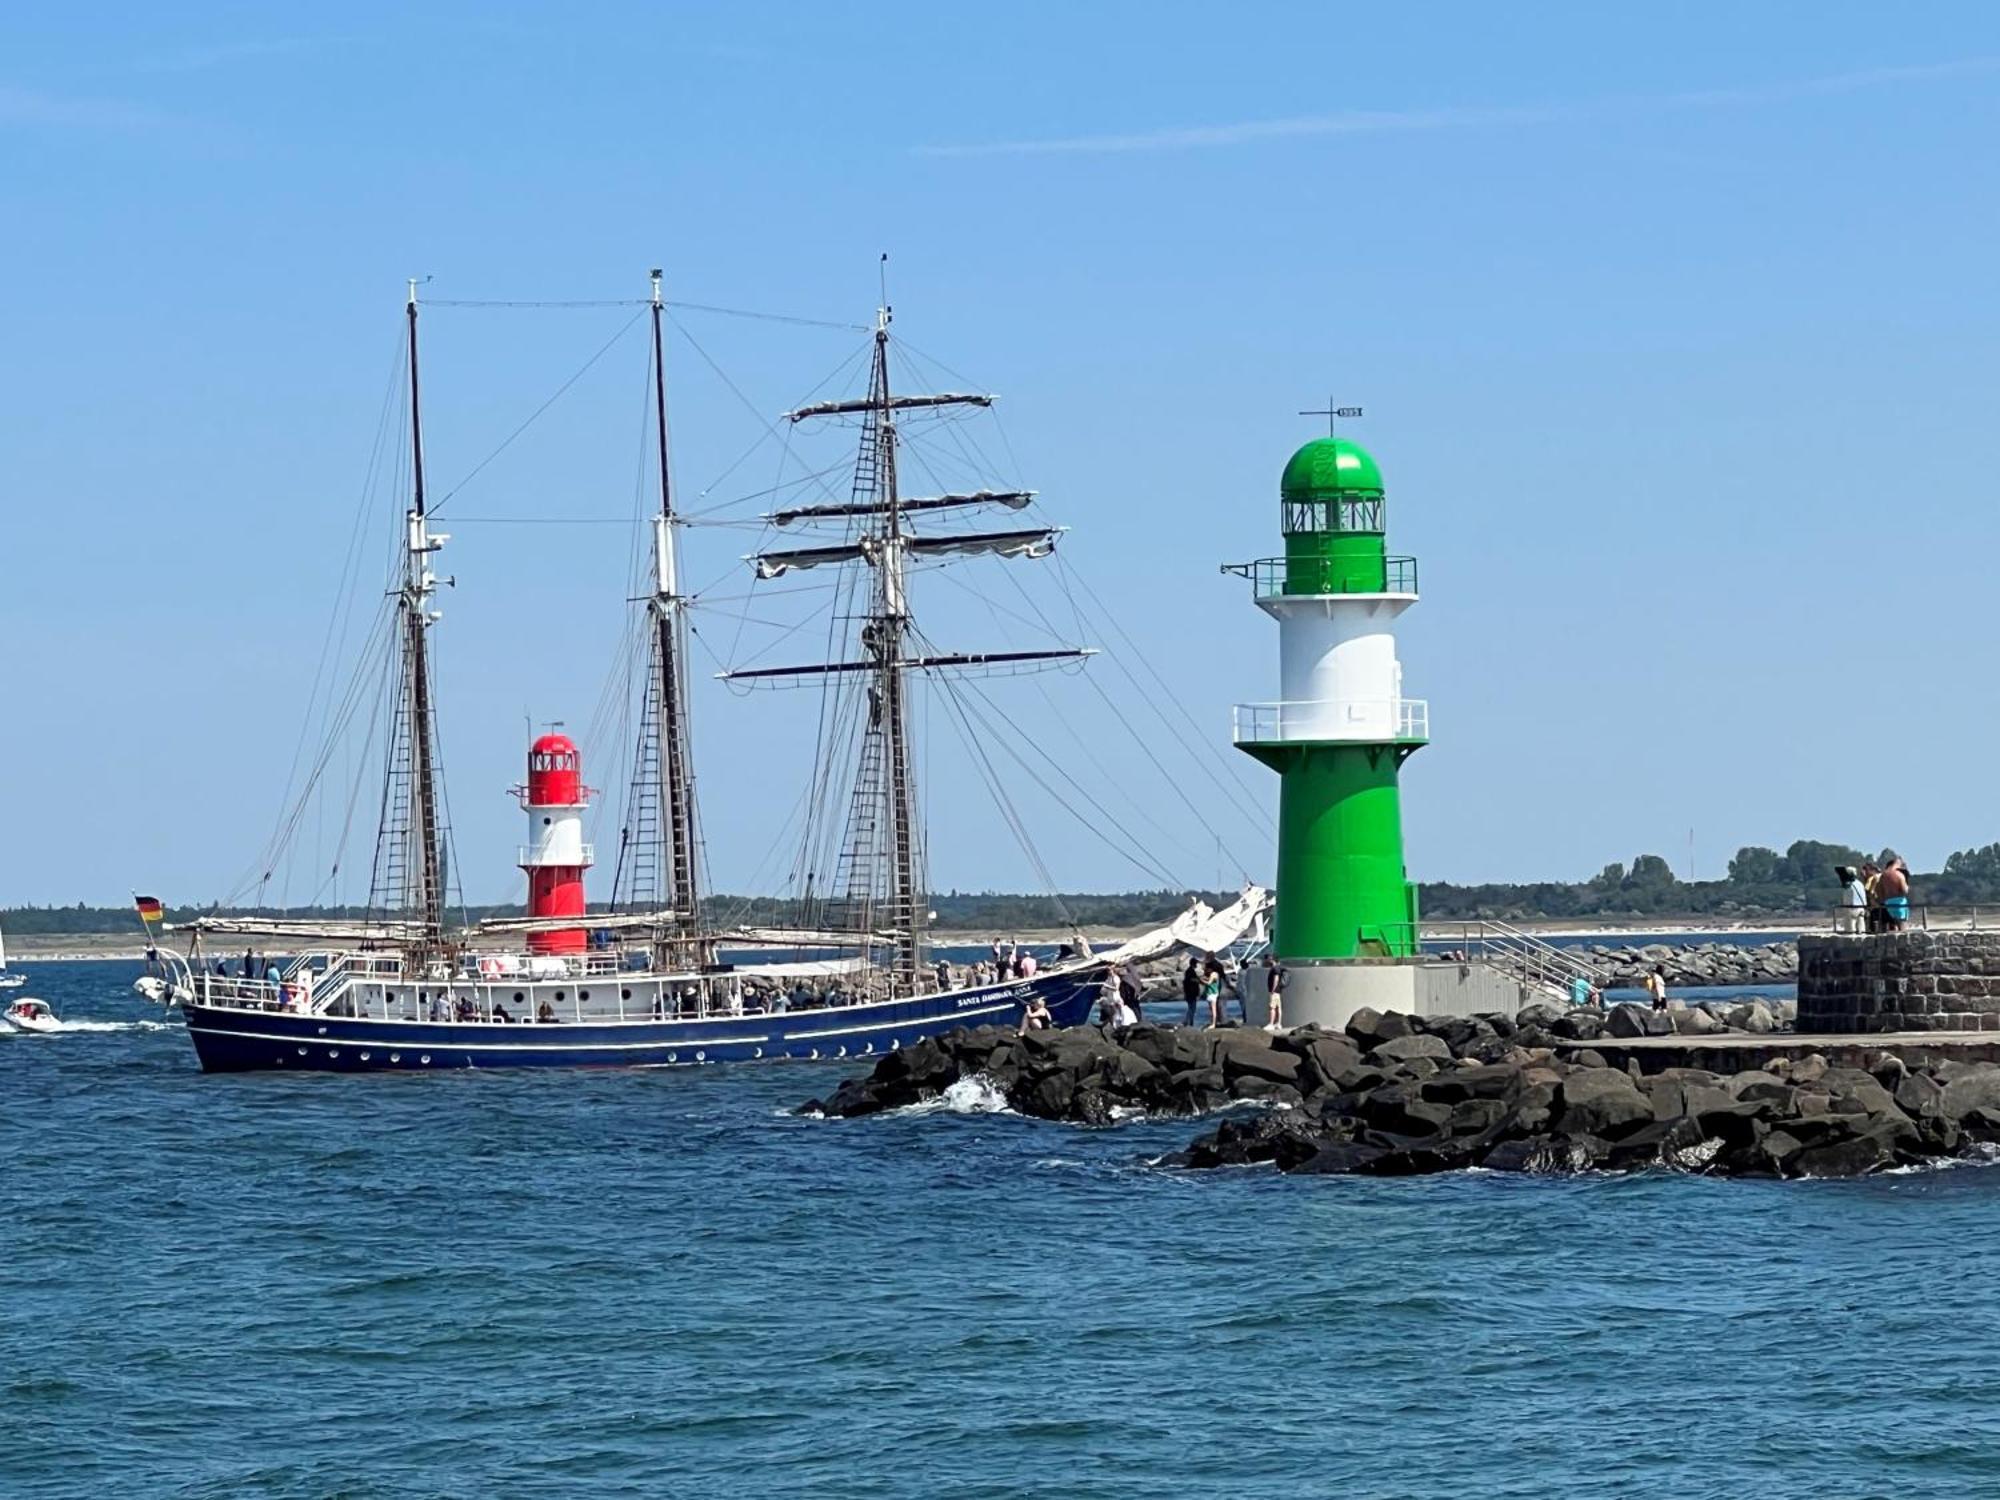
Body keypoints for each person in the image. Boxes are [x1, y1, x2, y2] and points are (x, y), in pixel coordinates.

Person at [1879, 856, 1912, 930]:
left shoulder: (1883, 875)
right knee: (1902, 925)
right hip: (1899, 902)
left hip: (1888, 902)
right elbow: (1904, 891)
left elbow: (1880, 891)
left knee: (1894, 924)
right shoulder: (1899, 875)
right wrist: (1907, 886)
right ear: (1899, 864)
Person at [1837, 865, 1867, 935]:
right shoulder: (1860, 883)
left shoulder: (1849, 885)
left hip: (1852, 908)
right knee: (1861, 928)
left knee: (1850, 928)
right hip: (1862, 907)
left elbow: (1846, 899)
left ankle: (1851, 939)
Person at [1263, 954, 1288, 1030]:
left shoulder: (1274, 968)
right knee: (1278, 1008)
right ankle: (1278, 1023)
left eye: (1270, 959)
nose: (1268, 960)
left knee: (1272, 1007)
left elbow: (1276, 979)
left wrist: (1273, 990)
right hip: (1278, 991)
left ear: (1272, 960)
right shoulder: (1279, 968)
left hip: (1274, 991)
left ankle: (1271, 1024)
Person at [1861, 861, 1884, 933]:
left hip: (1874, 905)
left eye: (1866, 870)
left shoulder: (1872, 878)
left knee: (1872, 925)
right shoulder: (1881, 876)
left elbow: (1868, 891)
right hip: (1881, 903)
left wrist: (1864, 878)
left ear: (1872, 870)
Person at [1181, 954, 1203, 1027]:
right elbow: (1191, 980)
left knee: (1191, 1008)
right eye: (1196, 963)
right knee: (1192, 1008)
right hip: (1191, 993)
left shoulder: (1190, 971)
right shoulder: (1190, 971)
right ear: (1194, 964)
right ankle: (1188, 1021)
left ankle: (1189, 1021)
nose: (1197, 965)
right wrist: (1199, 980)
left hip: (1189, 993)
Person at [1203, 955, 1225, 1028]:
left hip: (1213, 993)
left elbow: (1209, 983)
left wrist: (1201, 980)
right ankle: (1213, 1022)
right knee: (1211, 1009)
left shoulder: (1214, 974)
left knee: (1213, 1009)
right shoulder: (1213, 974)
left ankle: (1213, 1023)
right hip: (1210, 993)